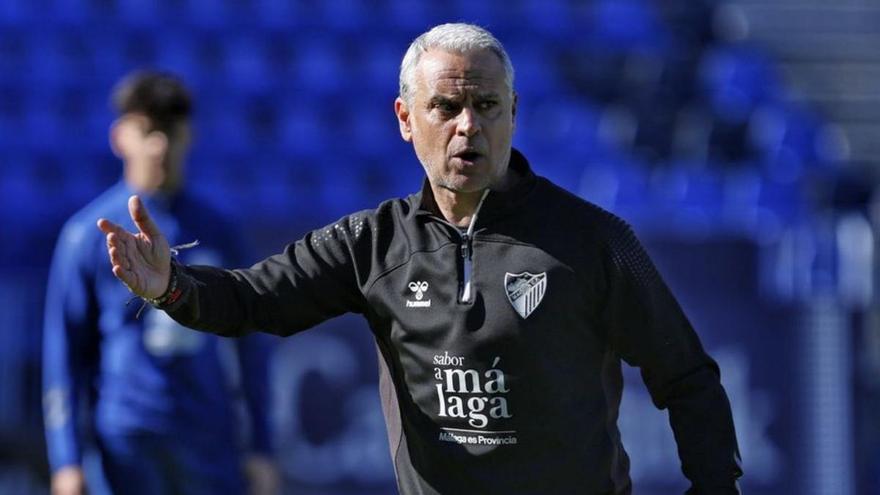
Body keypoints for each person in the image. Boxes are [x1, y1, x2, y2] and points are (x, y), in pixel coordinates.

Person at [98, 25, 743, 494]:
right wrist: (172, 287)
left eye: (487, 106)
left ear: (514, 114)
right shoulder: (372, 244)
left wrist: (716, 488)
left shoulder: (595, 242)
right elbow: (253, 299)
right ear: (407, 119)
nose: (469, 126)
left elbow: (686, 375)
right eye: (447, 107)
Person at [43, 71, 279, 495]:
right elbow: (65, 354)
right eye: (148, 131)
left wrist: (261, 447)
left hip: (206, 434)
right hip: (127, 435)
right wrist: (66, 460)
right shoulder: (88, 234)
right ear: (120, 137)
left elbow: (251, 341)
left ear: (190, 134)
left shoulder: (218, 229)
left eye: (171, 131)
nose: (161, 146)